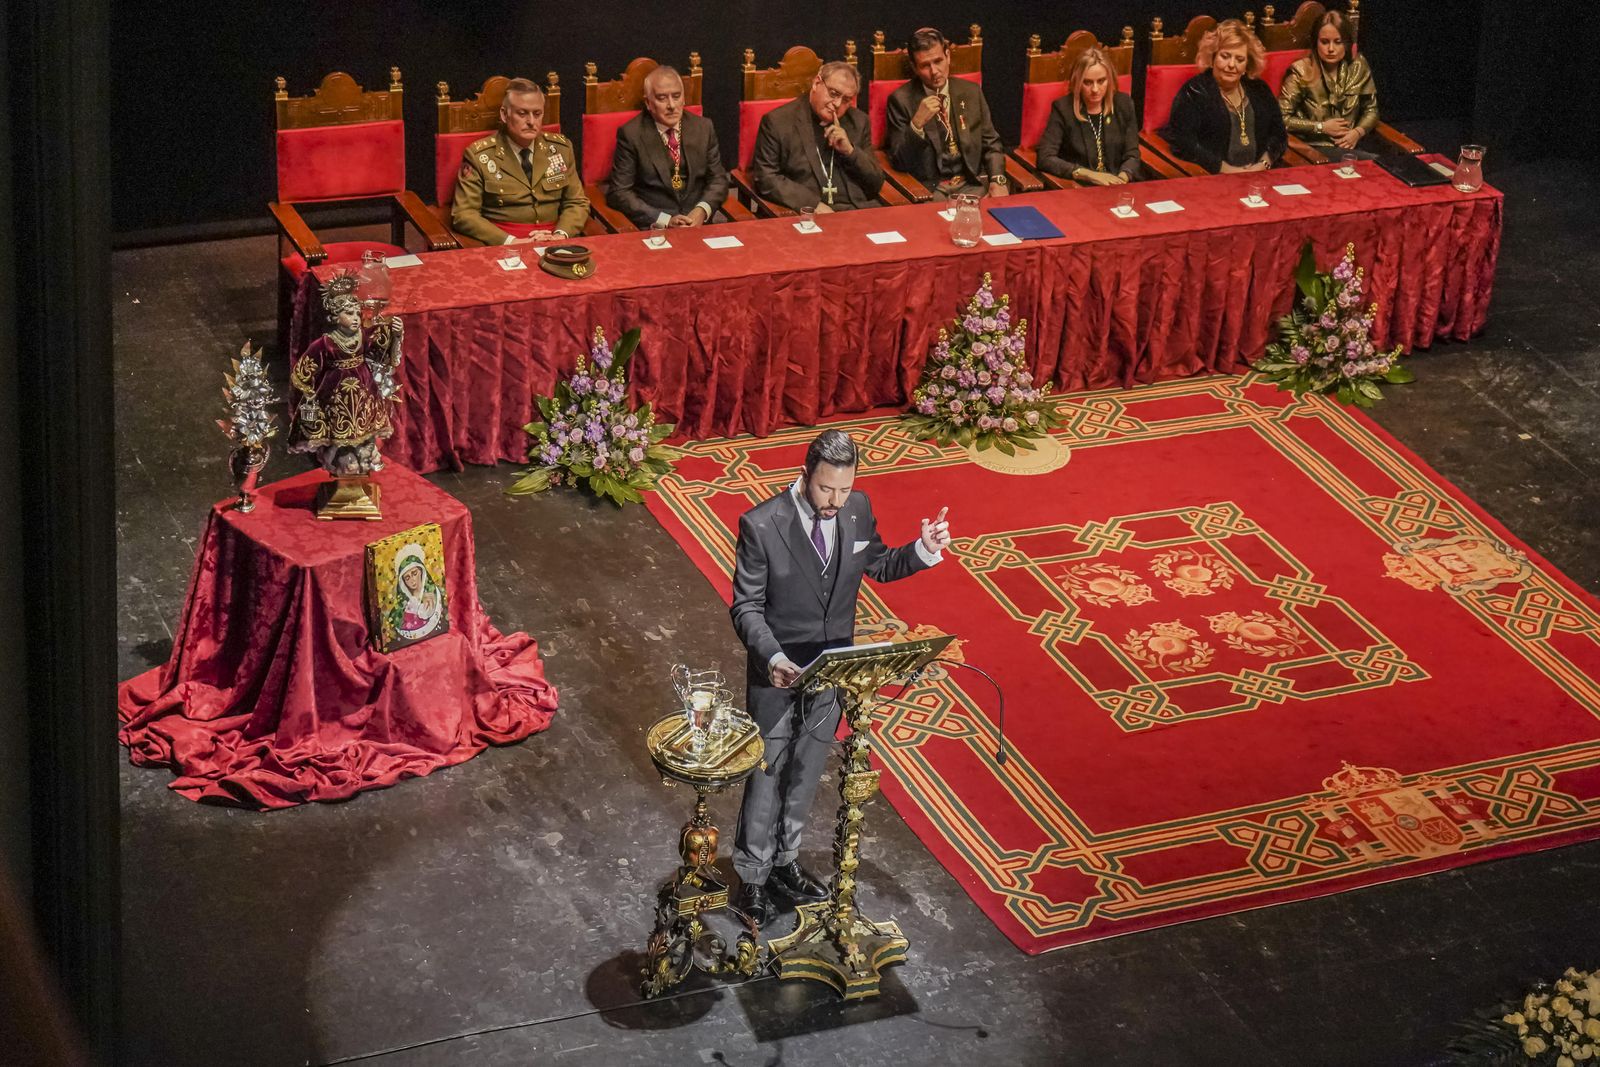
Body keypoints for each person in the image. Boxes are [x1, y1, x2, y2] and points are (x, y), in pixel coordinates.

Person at [729, 430, 951, 926]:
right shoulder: (763, 525)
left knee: (806, 773)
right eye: (827, 489)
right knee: (766, 775)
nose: (835, 501)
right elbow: (746, 607)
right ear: (805, 475)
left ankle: (785, 863)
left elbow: (881, 564)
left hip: (834, 672)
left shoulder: (857, 509)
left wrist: (924, 549)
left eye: (844, 490)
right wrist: (773, 658)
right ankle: (753, 878)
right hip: (778, 675)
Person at [451, 77, 589, 244]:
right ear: (504, 114)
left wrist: (561, 235)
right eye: (522, 113)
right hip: (507, 244)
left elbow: (576, 202)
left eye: (537, 114)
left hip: (554, 240)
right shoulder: (479, 155)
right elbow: (464, 214)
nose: (531, 121)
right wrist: (511, 241)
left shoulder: (561, 148)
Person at [884, 28, 1008, 200]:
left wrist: (997, 180)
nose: (934, 71)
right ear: (914, 67)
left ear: (948, 56)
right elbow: (899, 162)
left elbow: (991, 144)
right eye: (925, 65)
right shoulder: (901, 100)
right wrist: (917, 125)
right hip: (931, 192)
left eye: (938, 61)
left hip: (972, 185)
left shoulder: (971, 92)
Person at [752, 61, 885, 212]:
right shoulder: (778, 122)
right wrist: (812, 204)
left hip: (856, 211)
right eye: (834, 93)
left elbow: (876, 182)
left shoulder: (859, 122)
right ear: (816, 83)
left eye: (846, 100)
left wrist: (850, 151)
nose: (837, 103)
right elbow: (766, 179)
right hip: (806, 214)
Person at [607, 65, 729, 229]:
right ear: (648, 103)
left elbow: (718, 180)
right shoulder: (631, 134)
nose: (671, 105)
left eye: (676, 96)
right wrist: (664, 220)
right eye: (662, 98)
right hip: (654, 227)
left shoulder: (703, 128)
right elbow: (619, 193)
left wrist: (702, 210)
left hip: (698, 226)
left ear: (684, 98)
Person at [1158, 19, 1286, 173]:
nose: (1232, 65)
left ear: (1247, 65)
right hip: (1213, 179)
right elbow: (1184, 144)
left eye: (1240, 59)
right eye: (1225, 56)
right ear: (1212, 58)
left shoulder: (1259, 89)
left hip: (1260, 175)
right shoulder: (1194, 92)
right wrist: (1227, 170)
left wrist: (1264, 164)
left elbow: (1279, 134)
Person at [1278, 10, 1381, 157]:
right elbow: (1281, 118)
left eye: (1337, 42)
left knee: (1387, 166)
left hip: (1354, 143)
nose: (1331, 49)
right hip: (1316, 148)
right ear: (1316, 42)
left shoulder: (1358, 66)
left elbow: (1371, 109)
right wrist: (1321, 127)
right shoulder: (1301, 71)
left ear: (1346, 44)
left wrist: (1357, 132)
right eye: (1325, 42)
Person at [1035, 47, 1143, 185]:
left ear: (1109, 80)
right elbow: (1045, 158)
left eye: (1101, 81)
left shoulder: (1124, 104)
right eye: (1087, 82)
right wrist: (1088, 175)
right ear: (1077, 82)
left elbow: (1132, 155)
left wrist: (1122, 178)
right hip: (1079, 188)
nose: (1095, 89)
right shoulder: (1063, 109)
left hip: (1119, 184)